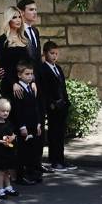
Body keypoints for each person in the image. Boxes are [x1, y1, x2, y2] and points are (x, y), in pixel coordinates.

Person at [37, 41, 75, 172]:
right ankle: (55, 161)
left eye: (56, 54)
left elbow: (62, 87)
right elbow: (44, 90)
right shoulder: (43, 69)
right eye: (51, 53)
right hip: (53, 107)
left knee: (60, 134)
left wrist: (66, 101)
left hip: (62, 106)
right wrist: (51, 104)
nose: (54, 56)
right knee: (54, 134)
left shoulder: (57, 68)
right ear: (45, 54)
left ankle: (61, 159)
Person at [12, 63, 44, 185]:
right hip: (24, 125)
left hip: (33, 124)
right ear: (19, 75)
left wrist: (38, 124)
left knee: (32, 150)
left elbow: (35, 108)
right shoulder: (19, 89)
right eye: (27, 74)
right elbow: (18, 110)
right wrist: (22, 126)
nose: (30, 76)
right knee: (22, 152)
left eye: (31, 74)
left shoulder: (30, 87)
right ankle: (21, 176)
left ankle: (32, 173)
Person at [16, 0, 41, 64]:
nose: (35, 12)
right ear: (22, 12)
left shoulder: (35, 31)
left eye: (35, 10)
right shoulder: (16, 31)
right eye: (31, 9)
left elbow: (37, 56)